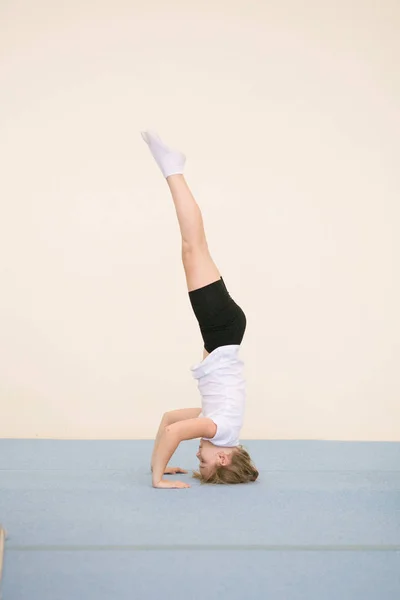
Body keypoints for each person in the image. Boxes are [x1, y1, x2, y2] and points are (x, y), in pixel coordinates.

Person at [141, 131, 258, 489]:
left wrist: (156, 466)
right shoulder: (217, 428)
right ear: (224, 456)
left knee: (192, 250)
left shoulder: (218, 422)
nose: (197, 457)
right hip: (221, 330)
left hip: (224, 331)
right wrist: (159, 479)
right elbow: (177, 432)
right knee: (194, 247)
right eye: (204, 463)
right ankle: (173, 169)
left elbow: (168, 421)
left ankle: (173, 169)